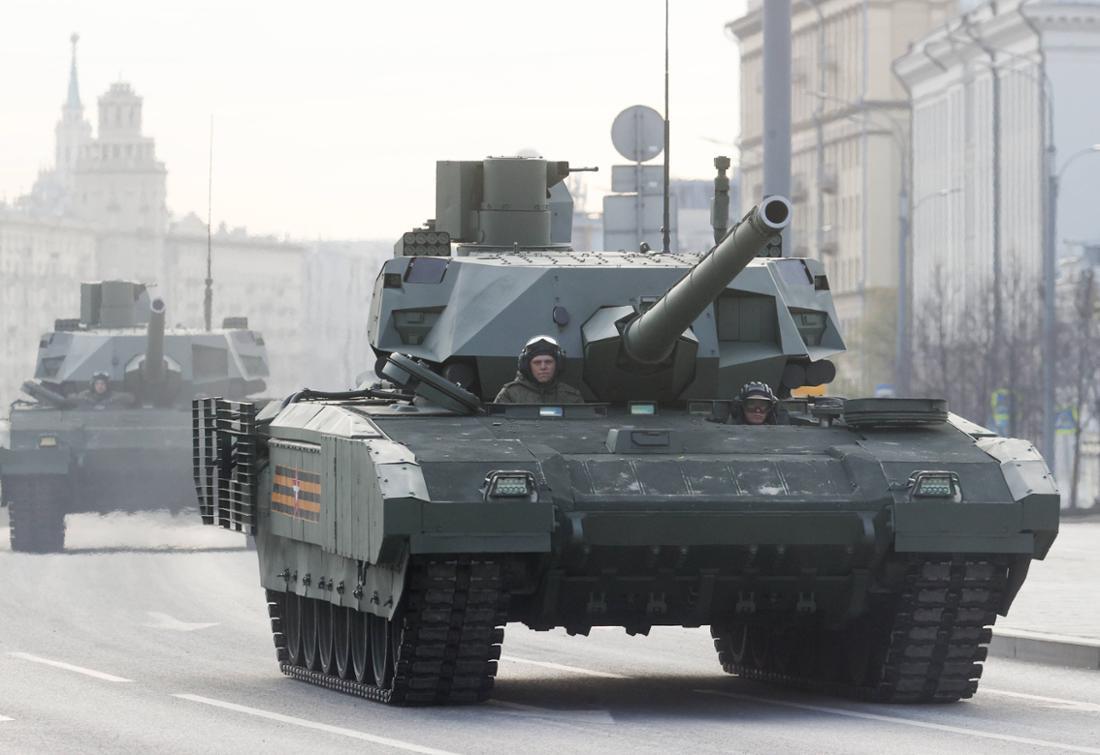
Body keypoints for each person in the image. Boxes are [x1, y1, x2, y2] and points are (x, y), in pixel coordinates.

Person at [494, 335, 584, 404]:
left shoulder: (571, 397)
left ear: (558, 365)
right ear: (527, 366)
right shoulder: (510, 395)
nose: (543, 367)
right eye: (537, 363)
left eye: (548, 362)